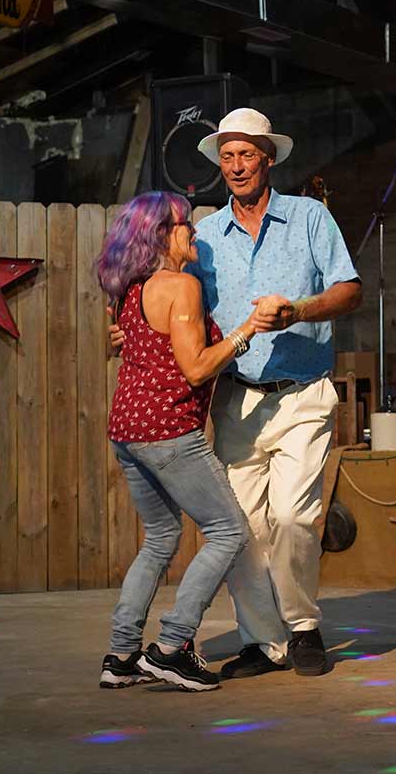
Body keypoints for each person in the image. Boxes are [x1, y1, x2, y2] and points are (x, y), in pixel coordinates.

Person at [116, 107, 363, 679]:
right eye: (226, 156)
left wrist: (298, 310)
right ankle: (262, 639)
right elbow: (174, 298)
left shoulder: (308, 217)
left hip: (301, 392)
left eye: (246, 154)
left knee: (296, 517)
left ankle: (302, 626)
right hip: (236, 397)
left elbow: (349, 290)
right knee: (242, 526)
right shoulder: (203, 235)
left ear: (268, 159)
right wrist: (131, 327)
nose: (235, 165)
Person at [93, 191, 286, 693]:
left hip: (127, 431)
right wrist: (247, 329)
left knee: (160, 538)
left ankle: (120, 655)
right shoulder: (180, 286)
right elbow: (196, 367)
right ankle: (173, 647)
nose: (194, 232)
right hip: (169, 432)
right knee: (227, 532)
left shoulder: (129, 289)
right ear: (162, 233)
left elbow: (131, 348)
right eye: (186, 225)